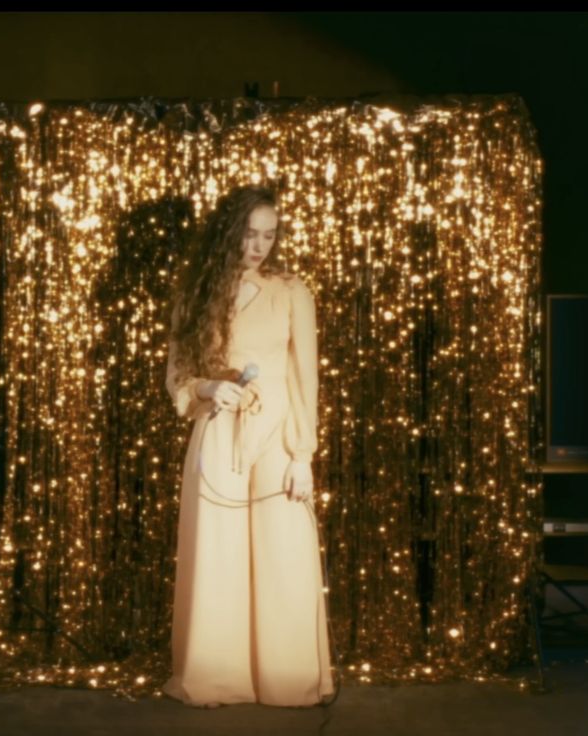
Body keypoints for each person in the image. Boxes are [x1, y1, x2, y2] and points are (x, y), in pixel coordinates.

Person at [161, 185, 335, 708]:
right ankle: (215, 677)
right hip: (218, 427)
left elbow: (306, 375)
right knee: (216, 555)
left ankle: (287, 678)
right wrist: (207, 387)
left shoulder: (291, 290)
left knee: (283, 554)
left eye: (269, 234)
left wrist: (303, 455)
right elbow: (177, 377)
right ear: (227, 234)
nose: (259, 245)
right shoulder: (195, 291)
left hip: (278, 432)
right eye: (249, 234)